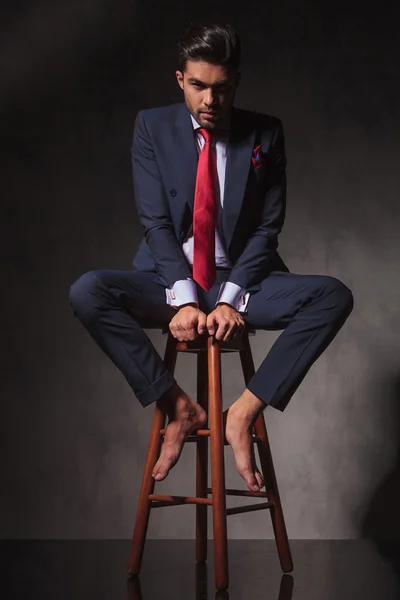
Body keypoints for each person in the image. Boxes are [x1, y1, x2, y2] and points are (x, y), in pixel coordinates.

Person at [69, 23, 354, 494]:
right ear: (180, 78)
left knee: (332, 296)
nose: (210, 101)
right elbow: (155, 223)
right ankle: (178, 407)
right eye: (198, 86)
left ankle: (241, 413)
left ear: (236, 82)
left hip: (241, 285)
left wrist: (230, 297)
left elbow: (267, 228)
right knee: (88, 291)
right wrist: (183, 301)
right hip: (169, 280)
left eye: (221, 89)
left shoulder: (266, 133)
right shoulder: (152, 126)